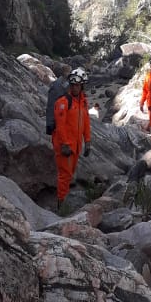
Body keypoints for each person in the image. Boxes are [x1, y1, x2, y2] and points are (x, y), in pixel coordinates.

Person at [52, 66, 91, 210]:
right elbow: (60, 125)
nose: (75, 88)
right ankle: (61, 206)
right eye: (73, 85)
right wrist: (64, 144)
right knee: (65, 175)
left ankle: (63, 200)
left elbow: (86, 122)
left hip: (76, 145)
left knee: (70, 174)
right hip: (65, 146)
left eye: (77, 85)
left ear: (82, 86)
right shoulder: (63, 102)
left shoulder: (83, 102)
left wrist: (87, 141)